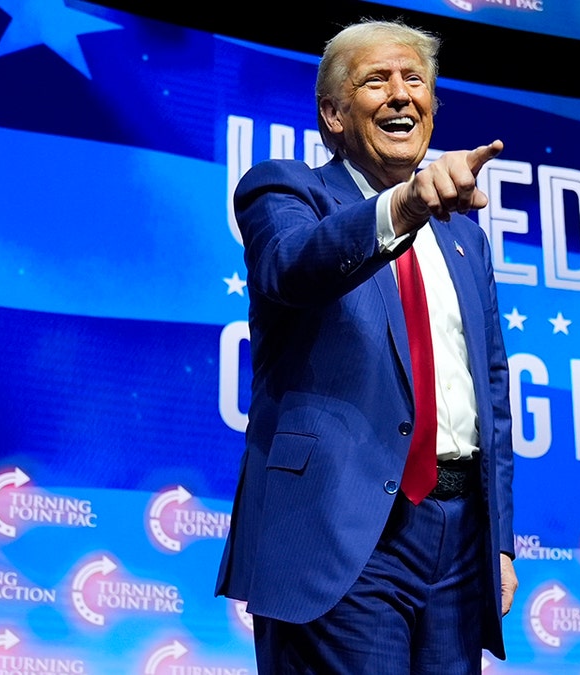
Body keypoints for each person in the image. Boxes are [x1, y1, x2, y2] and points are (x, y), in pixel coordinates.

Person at [215, 19, 517, 674]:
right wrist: (403, 206)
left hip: (458, 544)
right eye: (377, 80)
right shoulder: (286, 190)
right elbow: (291, 267)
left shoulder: (466, 240)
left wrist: (499, 543)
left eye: (416, 80)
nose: (402, 94)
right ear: (333, 113)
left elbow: (490, 389)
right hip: (342, 531)